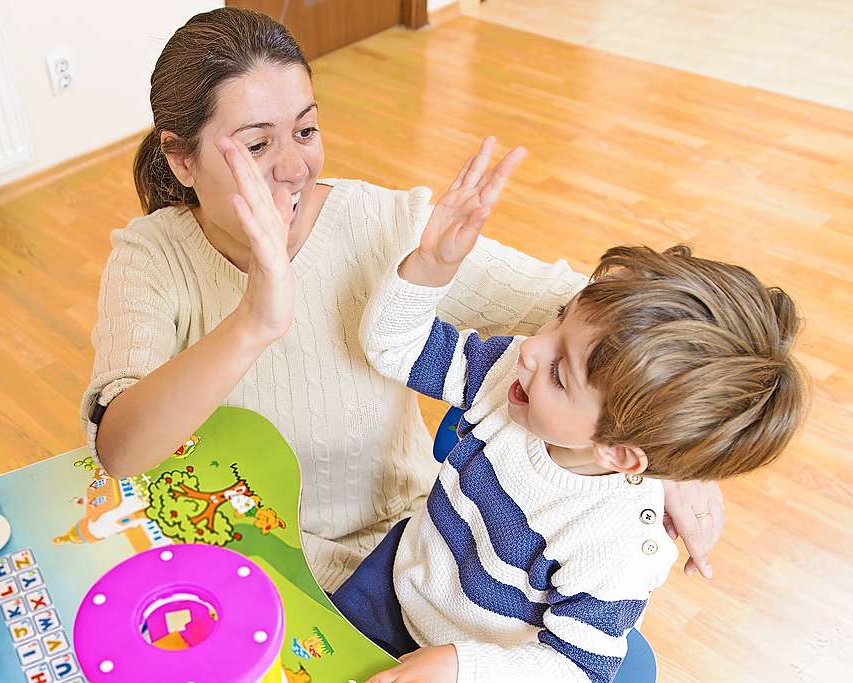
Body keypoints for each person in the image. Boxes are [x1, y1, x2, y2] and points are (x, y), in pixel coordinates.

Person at [81, 6, 723, 593]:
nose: (293, 167)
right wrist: (254, 320)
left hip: (408, 561)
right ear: (181, 158)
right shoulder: (150, 257)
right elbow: (121, 450)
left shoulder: (386, 224)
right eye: (256, 145)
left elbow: (608, 314)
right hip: (240, 561)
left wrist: (673, 451)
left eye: (305, 131)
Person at [331, 145, 806, 682]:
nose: (531, 348)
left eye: (560, 370)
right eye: (558, 320)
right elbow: (395, 347)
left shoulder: (616, 547)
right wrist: (433, 266)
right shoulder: (511, 376)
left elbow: (577, 667)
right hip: (393, 588)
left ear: (619, 452)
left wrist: (461, 666)